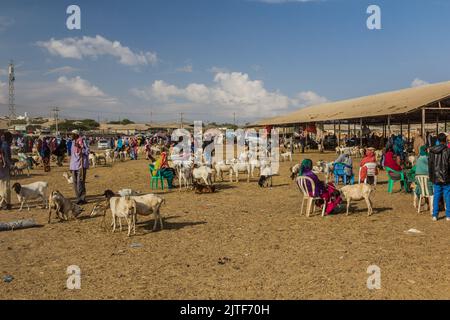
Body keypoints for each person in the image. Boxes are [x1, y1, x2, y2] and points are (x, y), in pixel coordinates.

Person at [428, 133, 450, 221]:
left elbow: (430, 165)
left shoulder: (432, 151)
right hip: (446, 177)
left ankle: (435, 215)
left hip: (436, 177)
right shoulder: (448, 151)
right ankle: (448, 215)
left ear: (437, 140)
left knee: (436, 196)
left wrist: (431, 177)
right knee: (447, 196)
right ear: (445, 140)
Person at [70, 130, 90, 205]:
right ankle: (78, 198)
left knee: (80, 182)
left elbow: (87, 151)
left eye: (73, 134)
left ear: (77, 134)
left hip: (81, 165)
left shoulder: (83, 141)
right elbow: (72, 155)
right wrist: (70, 166)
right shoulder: (72, 142)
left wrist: (81, 148)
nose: (71, 135)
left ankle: (82, 199)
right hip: (73, 165)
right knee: (75, 182)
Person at [0, 132, 12, 210]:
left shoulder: (2, 144)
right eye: (11, 137)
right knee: (6, 187)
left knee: (2, 186)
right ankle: (4, 204)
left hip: (1, 168)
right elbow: (7, 158)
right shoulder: (6, 145)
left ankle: (4, 203)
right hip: (4, 169)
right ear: (9, 138)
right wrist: (12, 165)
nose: (12, 139)